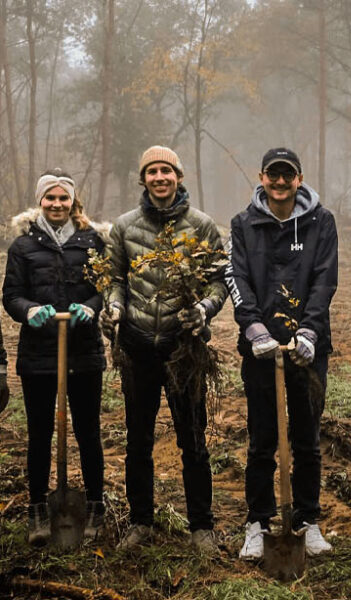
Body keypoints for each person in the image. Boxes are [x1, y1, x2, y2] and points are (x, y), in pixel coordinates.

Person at [101, 146, 227, 553]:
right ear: (143, 179)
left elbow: (219, 281)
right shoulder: (123, 226)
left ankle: (201, 527)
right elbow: (113, 277)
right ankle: (140, 523)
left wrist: (204, 309)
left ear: (179, 176)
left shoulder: (203, 226)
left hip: (183, 349)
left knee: (193, 439)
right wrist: (115, 306)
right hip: (137, 347)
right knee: (138, 440)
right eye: (152, 171)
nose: (159, 177)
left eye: (166, 171)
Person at [227, 147, 338, 559]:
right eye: (272, 175)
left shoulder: (320, 222)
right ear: (261, 177)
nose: (279, 182)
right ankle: (258, 522)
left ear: (299, 179)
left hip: (308, 349)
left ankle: (307, 520)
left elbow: (326, 279)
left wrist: (309, 331)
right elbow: (236, 277)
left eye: (286, 175)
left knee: (307, 439)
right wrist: (254, 329)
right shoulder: (243, 224)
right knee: (261, 440)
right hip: (260, 351)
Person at [2, 169, 106, 544]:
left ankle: (95, 505)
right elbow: (11, 294)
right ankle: (37, 510)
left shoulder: (92, 241)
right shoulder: (23, 246)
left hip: (83, 352)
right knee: (39, 433)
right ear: (40, 201)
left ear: (73, 201)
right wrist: (29, 310)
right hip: (39, 354)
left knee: (88, 431)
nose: (57, 204)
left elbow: (104, 288)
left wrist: (91, 307)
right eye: (50, 198)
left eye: (64, 198)